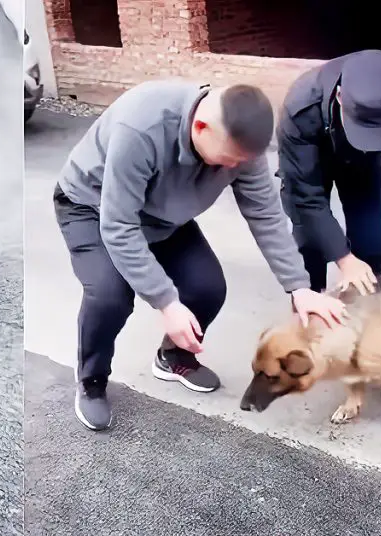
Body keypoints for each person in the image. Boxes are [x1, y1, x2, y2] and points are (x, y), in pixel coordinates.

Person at [53, 79, 348, 432]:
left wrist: (300, 288)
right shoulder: (142, 128)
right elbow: (119, 226)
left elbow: (265, 215)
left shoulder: (242, 148)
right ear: (200, 127)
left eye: (241, 162)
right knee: (110, 295)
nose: (234, 168)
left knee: (207, 287)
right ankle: (91, 379)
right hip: (92, 207)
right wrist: (166, 303)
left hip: (164, 216)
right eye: (228, 160)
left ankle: (172, 357)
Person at [275, 49, 381, 296]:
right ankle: (311, 308)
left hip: (365, 164)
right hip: (315, 155)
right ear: (339, 96)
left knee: (371, 239)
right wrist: (344, 259)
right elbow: (307, 199)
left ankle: (368, 311)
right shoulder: (301, 108)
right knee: (310, 243)